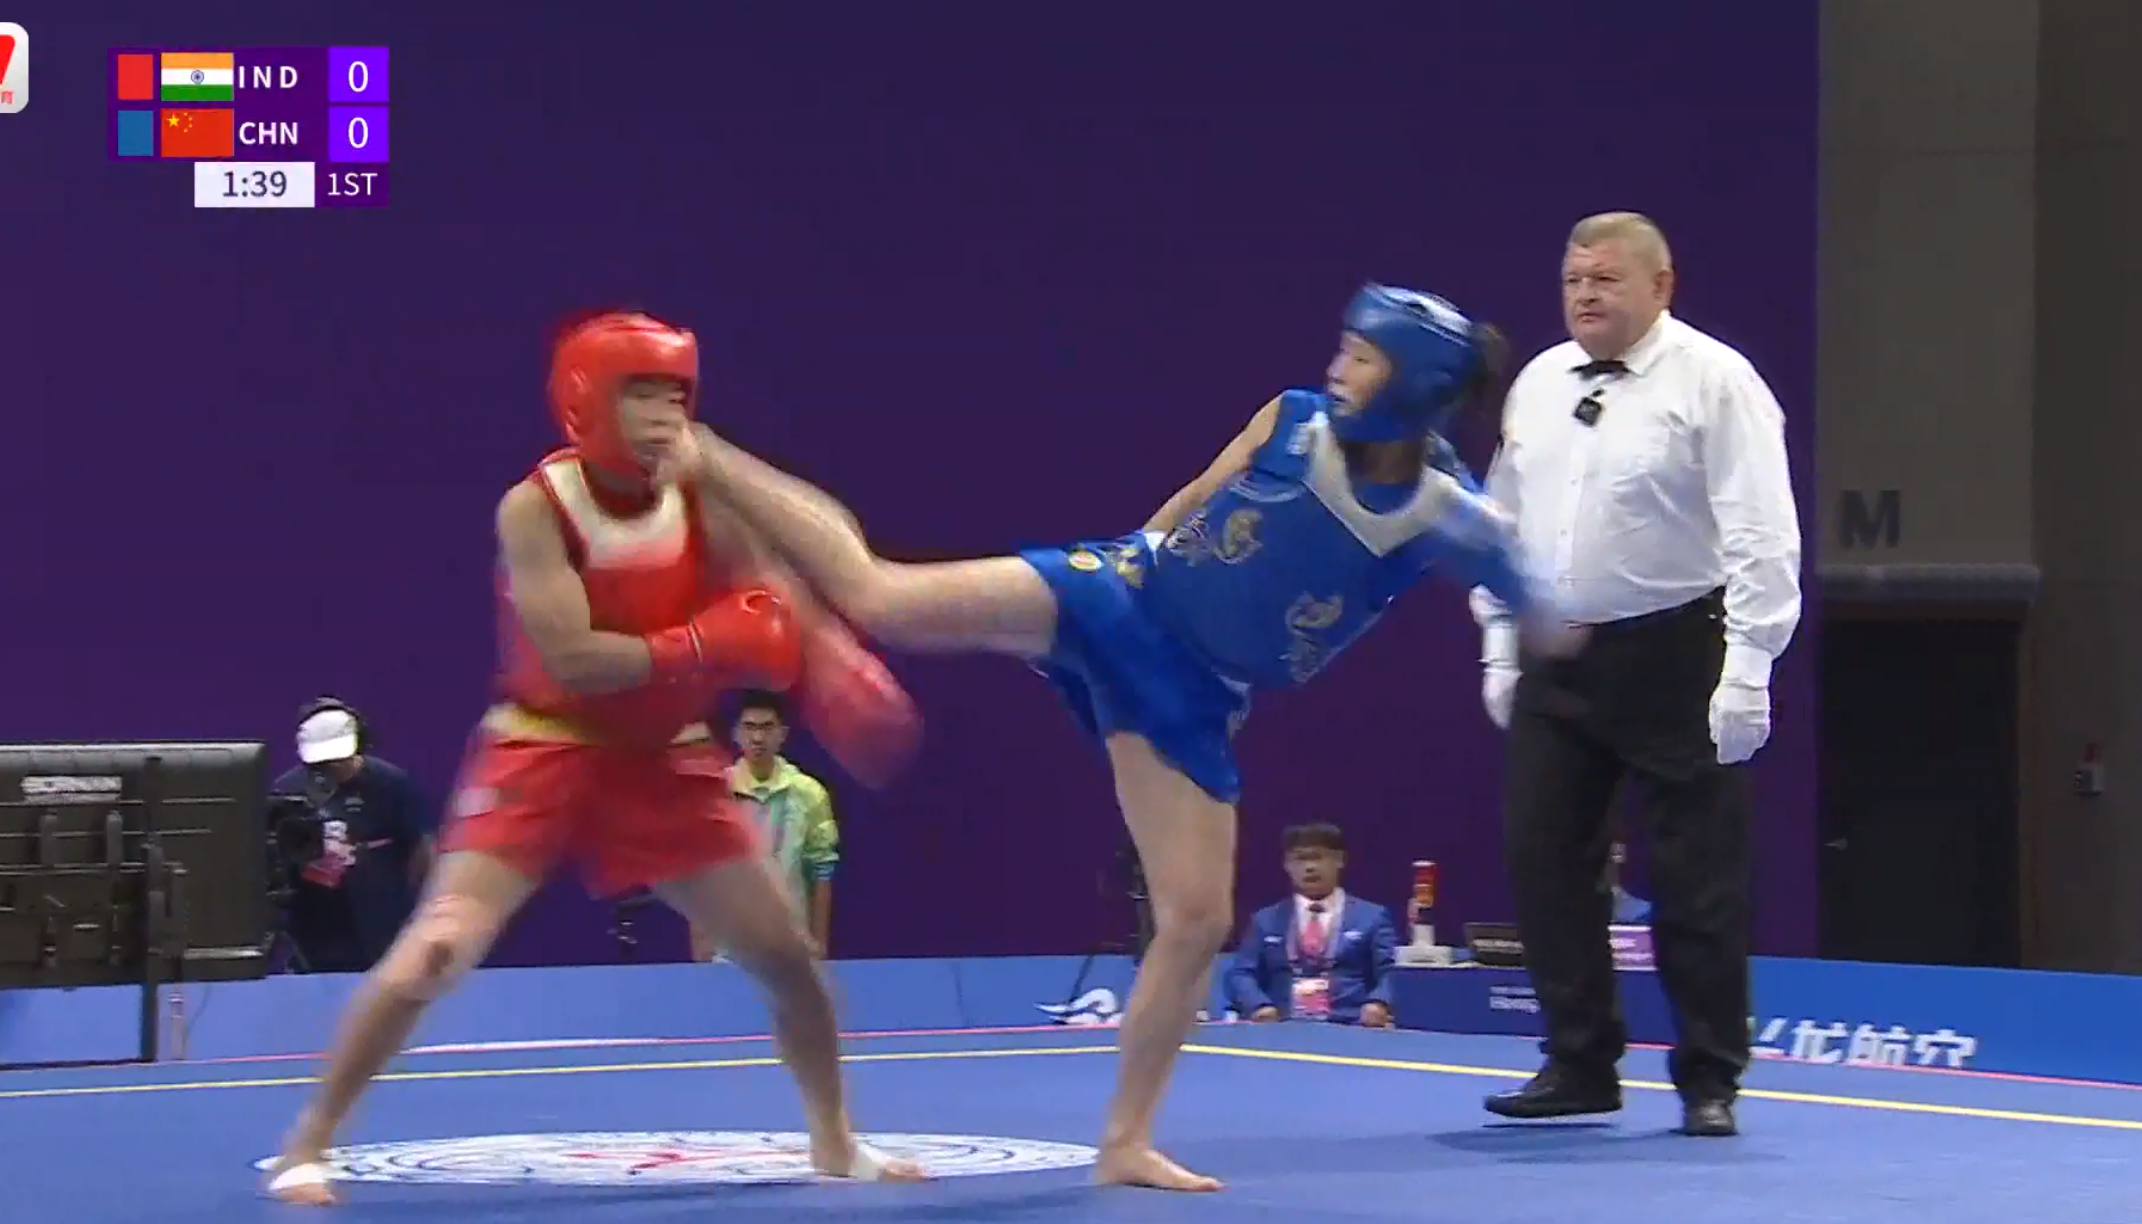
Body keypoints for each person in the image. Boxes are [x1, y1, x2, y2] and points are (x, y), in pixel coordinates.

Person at [672, 284, 1583, 1192]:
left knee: (1197, 919)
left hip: (1193, 696)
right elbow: (1191, 500)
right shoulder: (1292, 419)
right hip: (1118, 594)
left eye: (1363, 356)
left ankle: (1125, 1142)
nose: (1337, 368)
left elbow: (1545, 614)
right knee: (885, 597)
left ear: (1413, 385)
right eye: (1343, 347)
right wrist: (1119, 580)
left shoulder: (1447, 515)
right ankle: (706, 454)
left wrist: (1561, 629)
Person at [264, 311, 928, 1204]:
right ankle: (307, 1144)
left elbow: (781, 579)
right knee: (437, 949)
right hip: (547, 747)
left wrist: (830, 659)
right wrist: (706, 641)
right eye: (641, 393)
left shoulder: (703, 492)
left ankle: (835, 1143)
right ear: (585, 402)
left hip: (667, 758)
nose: (663, 414)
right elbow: (574, 657)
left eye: (676, 394)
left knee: (789, 959)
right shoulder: (537, 507)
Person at [1471, 212, 1802, 1138]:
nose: (1584, 295)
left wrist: (1749, 667)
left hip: (1677, 652)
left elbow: (1762, 532)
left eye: (1606, 279)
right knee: (1542, 857)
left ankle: (1709, 1078)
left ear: (1661, 286)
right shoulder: (1539, 381)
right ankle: (1579, 1063)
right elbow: (1498, 523)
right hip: (1558, 653)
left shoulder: (1717, 380)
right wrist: (1499, 641)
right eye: (1573, 279)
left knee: (1698, 874)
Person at [269, 698, 433, 973]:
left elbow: (420, 846)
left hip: (382, 922)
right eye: (323, 763)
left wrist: (425, 911)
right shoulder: (287, 789)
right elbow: (274, 862)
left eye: (339, 761)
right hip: (317, 928)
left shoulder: (391, 784)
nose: (332, 769)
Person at [692, 691, 840, 962]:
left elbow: (822, 870)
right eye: (749, 727)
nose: (758, 738)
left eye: (767, 728)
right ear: (736, 734)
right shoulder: (715, 792)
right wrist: (700, 942)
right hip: (727, 950)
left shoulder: (810, 793)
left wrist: (819, 942)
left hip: (792, 945)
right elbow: (700, 870)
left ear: (782, 734)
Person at [1224, 822, 1399, 1027]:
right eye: (1300, 859)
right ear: (1287, 865)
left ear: (1339, 860)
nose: (1309, 867)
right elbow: (1242, 973)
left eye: (1318, 857)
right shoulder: (1265, 920)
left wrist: (1379, 1003)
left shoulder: (1372, 917)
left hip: (1351, 1024)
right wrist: (1258, 1005)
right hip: (1282, 1025)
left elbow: (1390, 971)